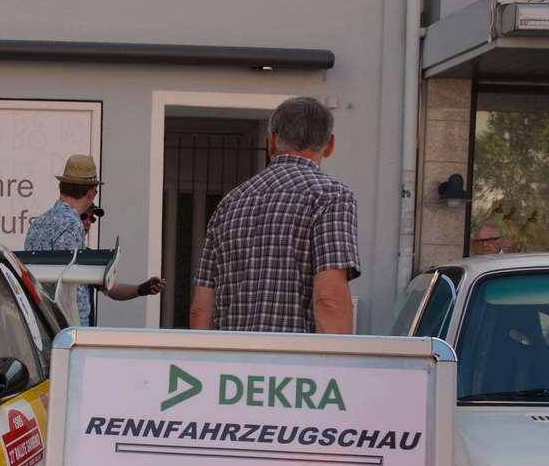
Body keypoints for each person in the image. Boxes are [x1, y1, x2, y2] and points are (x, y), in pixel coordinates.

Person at [190, 96, 359, 334]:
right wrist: (340, 366)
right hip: (296, 366)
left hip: (233, 365)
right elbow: (328, 299)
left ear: (271, 141)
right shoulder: (332, 196)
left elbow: (201, 310)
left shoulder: (230, 203)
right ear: (330, 145)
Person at [25, 160, 163, 324]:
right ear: (91, 192)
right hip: (66, 326)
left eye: (93, 218)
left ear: (61, 186)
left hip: (39, 320)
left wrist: (141, 289)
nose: (88, 221)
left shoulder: (38, 222)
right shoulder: (71, 222)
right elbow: (68, 282)